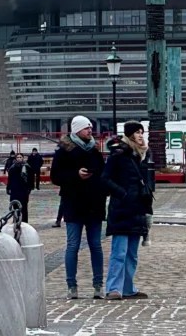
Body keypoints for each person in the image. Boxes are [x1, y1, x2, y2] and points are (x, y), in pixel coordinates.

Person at [50, 115, 106, 300]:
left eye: (90, 128)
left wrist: (99, 185)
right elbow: (55, 176)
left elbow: (103, 174)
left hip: (94, 204)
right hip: (74, 204)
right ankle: (71, 286)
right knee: (72, 245)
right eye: (86, 128)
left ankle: (98, 285)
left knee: (96, 246)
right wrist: (76, 175)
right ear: (76, 130)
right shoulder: (63, 151)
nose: (90, 131)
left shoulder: (95, 151)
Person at [101, 121, 153, 301]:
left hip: (137, 209)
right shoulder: (119, 154)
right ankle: (113, 288)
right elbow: (105, 179)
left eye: (142, 133)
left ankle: (128, 288)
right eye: (137, 132)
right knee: (119, 252)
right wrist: (122, 194)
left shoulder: (140, 156)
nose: (141, 136)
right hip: (122, 209)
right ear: (130, 135)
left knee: (132, 254)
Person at [6, 152, 31, 223]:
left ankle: (24, 222)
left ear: (23, 158)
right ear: (16, 158)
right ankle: (16, 220)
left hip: (23, 190)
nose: (19, 159)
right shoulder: (12, 168)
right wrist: (8, 188)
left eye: (20, 157)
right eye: (18, 157)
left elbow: (30, 179)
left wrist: (29, 189)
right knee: (15, 206)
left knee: (24, 207)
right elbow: (9, 179)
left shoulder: (27, 167)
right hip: (15, 190)